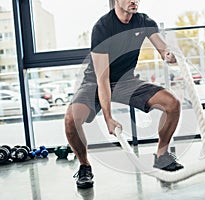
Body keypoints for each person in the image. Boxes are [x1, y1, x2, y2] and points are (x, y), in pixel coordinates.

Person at [64, 0, 184, 189]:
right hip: (95, 82)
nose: (134, 0)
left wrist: (168, 54)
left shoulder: (144, 21)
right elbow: (103, 80)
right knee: (71, 120)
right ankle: (84, 166)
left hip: (127, 81)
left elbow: (163, 48)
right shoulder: (103, 28)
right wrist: (108, 118)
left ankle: (162, 155)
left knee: (173, 104)